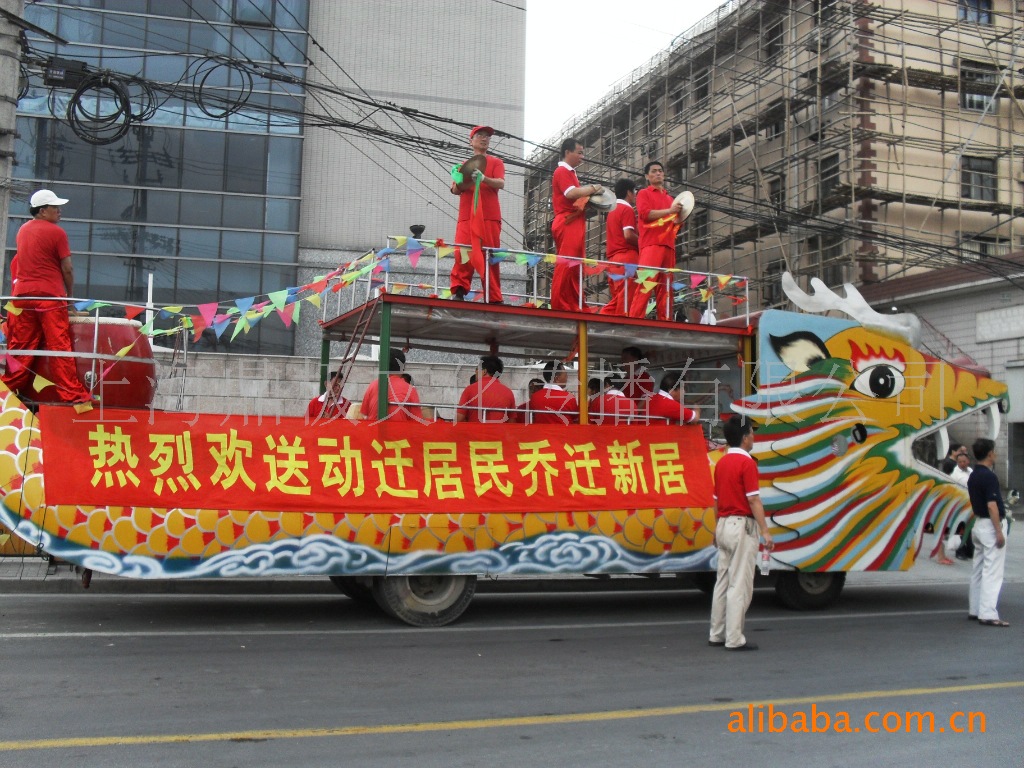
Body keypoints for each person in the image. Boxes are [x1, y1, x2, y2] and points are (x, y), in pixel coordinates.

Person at [1, 189, 93, 411]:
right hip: (49, 298)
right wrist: (69, 298)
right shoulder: (56, 232)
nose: (59, 211)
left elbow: (17, 265)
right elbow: (67, 268)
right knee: (59, 347)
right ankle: (74, 398)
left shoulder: (22, 231)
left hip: (23, 298)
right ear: (43, 211)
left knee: (21, 350)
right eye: (55, 207)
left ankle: (6, 394)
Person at [709, 416, 774, 651]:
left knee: (723, 581)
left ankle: (716, 633)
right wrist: (765, 531)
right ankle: (734, 638)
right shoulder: (747, 464)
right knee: (740, 584)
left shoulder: (721, 463)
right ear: (745, 437)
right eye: (752, 433)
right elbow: (753, 500)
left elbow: (715, 501)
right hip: (741, 527)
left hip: (724, 525)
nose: (754, 437)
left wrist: (716, 530)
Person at [450, 125, 505, 303]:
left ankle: (494, 296)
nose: (484, 139)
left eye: (487, 136)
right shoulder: (462, 166)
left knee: (489, 255)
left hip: (489, 217)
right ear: (471, 140)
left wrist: (484, 178)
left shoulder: (496, 162)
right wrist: (464, 180)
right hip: (467, 216)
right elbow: (455, 190)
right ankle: (459, 290)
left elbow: (500, 183)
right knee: (463, 253)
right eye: (480, 135)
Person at [550, 138, 603, 312]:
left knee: (575, 265)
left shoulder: (571, 172)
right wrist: (593, 188)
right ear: (567, 152)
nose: (582, 156)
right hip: (567, 221)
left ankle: (573, 303)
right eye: (579, 152)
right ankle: (560, 304)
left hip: (573, 221)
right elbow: (571, 193)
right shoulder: (562, 171)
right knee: (567, 263)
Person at [630, 161, 682, 320]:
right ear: (647, 176)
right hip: (651, 245)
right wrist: (671, 211)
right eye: (654, 171)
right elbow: (645, 214)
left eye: (660, 171)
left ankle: (665, 321)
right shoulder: (644, 193)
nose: (658, 173)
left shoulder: (670, 199)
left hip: (669, 246)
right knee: (645, 284)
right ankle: (634, 319)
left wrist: (681, 215)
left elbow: (676, 222)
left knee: (666, 289)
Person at [966, 438, 1009, 627]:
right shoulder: (989, 476)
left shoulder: (973, 475)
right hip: (991, 525)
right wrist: (999, 531)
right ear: (990, 453)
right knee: (992, 571)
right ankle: (988, 612)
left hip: (979, 524)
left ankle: (975, 608)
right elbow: (992, 505)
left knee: (978, 568)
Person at [599, 178, 639, 316]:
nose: (635, 195)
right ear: (629, 192)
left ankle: (597, 323)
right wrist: (645, 245)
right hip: (627, 258)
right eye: (634, 192)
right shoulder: (627, 209)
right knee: (626, 301)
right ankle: (622, 331)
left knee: (617, 299)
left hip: (613, 260)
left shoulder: (612, 211)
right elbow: (628, 235)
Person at [359, 349, 423, 423]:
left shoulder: (372, 386)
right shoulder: (410, 390)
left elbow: (364, 415)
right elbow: (417, 422)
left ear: (382, 365)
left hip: (373, 432)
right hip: (399, 433)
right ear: (403, 367)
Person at [457, 355, 516, 423]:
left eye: (477, 369)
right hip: (499, 433)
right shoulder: (508, 392)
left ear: (484, 371)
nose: (475, 372)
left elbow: (459, 418)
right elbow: (512, 422)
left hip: (475, 432)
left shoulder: (470, 389)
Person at [528, 360, 578, 424]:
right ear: (557, 378)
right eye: (565, 374)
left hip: (541, 433)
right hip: (564, 433)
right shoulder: (569, 398)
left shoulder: (535, 397)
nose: (567, 377)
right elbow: (576, 420)